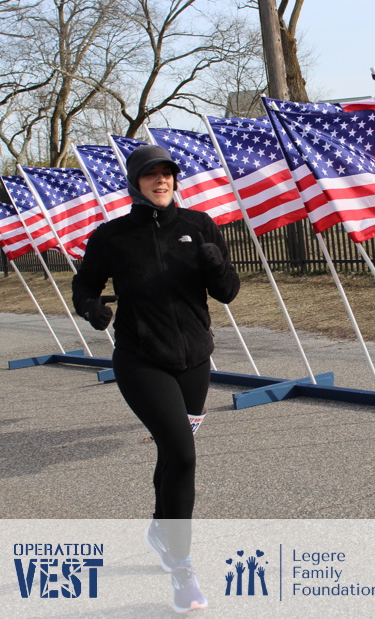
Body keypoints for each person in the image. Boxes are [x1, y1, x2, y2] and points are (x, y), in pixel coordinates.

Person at [72, 144, 239, 613]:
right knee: (183, 453)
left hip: (195, 362)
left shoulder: (199, 225)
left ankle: (160, 529)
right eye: (151, 175)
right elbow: (84, 285)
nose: (161, 181)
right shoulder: (112, 236)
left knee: (172, 452)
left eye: (167, 173)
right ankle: (182, 568)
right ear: (135, 182)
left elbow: (228, 292)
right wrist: (91, 307)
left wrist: (215, 264)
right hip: (141, 360)